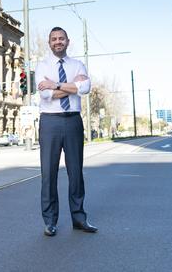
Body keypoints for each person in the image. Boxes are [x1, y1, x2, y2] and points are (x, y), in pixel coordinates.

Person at [35, 26, 96, 237]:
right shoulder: (41, 65)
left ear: (68, 42)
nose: (58, 42)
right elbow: (45, 95)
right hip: (49, 123)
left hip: (73, 121)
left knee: (76, 172)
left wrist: (57, 84)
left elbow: (86, 88)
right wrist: (72, 86)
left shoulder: (78, 64)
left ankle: (79, 218)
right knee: (48, 174)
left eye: (61, 38)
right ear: (49, 43)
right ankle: (50, 221)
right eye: (54, 39)